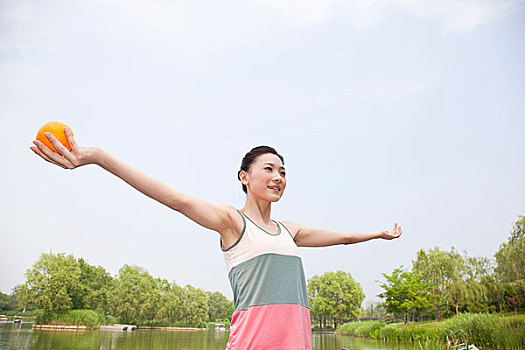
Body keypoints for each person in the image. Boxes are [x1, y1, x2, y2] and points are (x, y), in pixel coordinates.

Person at [30, 129, 402, 350]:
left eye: (283, 172)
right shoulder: (231, 222)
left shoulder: (291, 230)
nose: (278, 177)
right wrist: (97, 157)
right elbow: (176, 199)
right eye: (268, 169)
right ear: (244, 176)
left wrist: (379, 234)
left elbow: (345, 237)